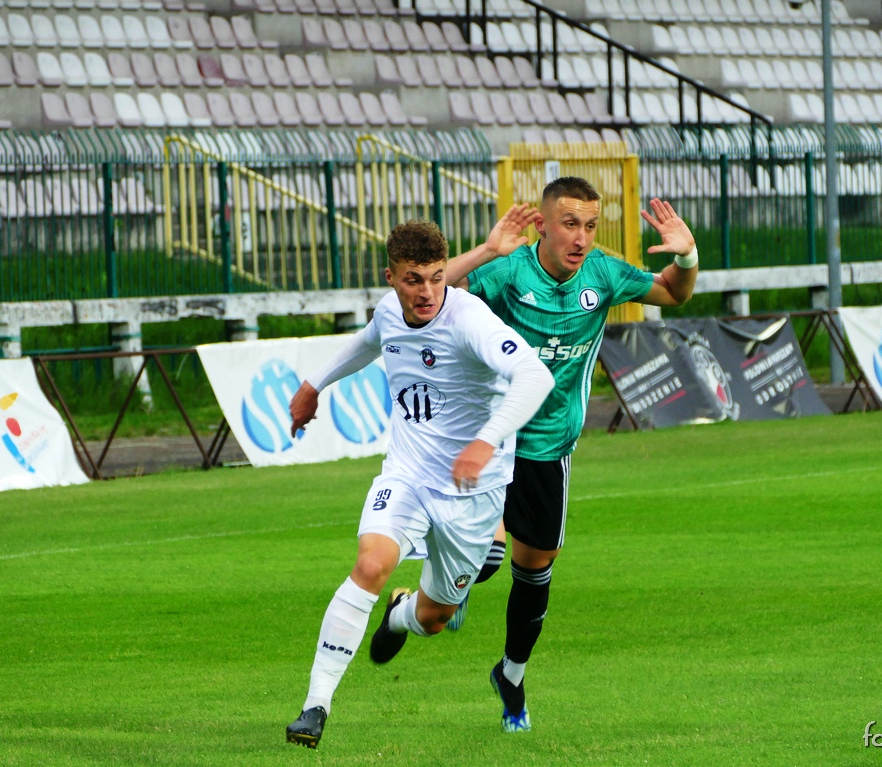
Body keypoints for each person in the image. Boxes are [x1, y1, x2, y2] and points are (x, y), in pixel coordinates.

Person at [283, 219, 554, 749]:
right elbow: (367, 342)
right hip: (408, 475)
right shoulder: (390, 311)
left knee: (434, 617)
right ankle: (315, 706)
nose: (426, 291)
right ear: (391, 277)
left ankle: (401, 616)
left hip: (474, 491)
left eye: (435, 277)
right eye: (413, 280)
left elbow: (536, 377)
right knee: (369, 564)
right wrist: (315, 385)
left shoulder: (468, 318)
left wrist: (487, 438)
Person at [444, 177, 698, 733]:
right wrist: (488, 250)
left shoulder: (604, 274)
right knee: (485, 563)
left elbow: (674, 293)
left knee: (533, 576)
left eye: (590, 225)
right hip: (492, 440)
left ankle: (511, 675)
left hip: (550, 448)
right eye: (569, 224)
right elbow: (435, 293)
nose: (581, 237)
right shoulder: (510, 271)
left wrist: (688, 255)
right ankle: (450, 580)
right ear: (543, 223)